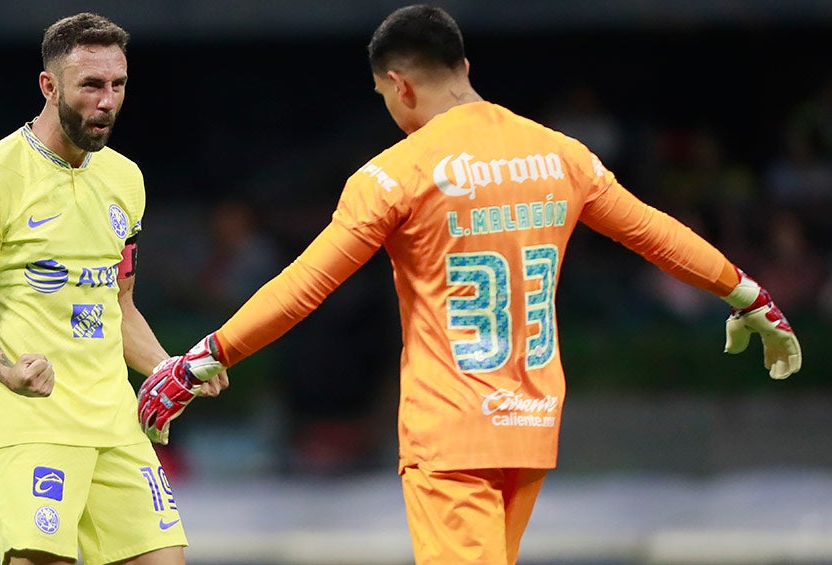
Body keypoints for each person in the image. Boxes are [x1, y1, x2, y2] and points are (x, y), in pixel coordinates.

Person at [137, 5, 802, 564]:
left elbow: (306, 283)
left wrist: (207, 355)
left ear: (399, 87)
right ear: (465, 71)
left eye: (384, 99)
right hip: (531, 428)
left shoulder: (395, 174)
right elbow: (655, 233)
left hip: (450, 434)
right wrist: (749, 294)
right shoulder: (562, 155)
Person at [0, 13, 225, 565]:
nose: (107, 101)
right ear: (50, 86)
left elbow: (120, 305)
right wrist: (8, 370)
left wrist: (172, 368)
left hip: (117, 426)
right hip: (34, 427)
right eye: (91, 85)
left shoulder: (125, 179)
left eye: (117, 84)